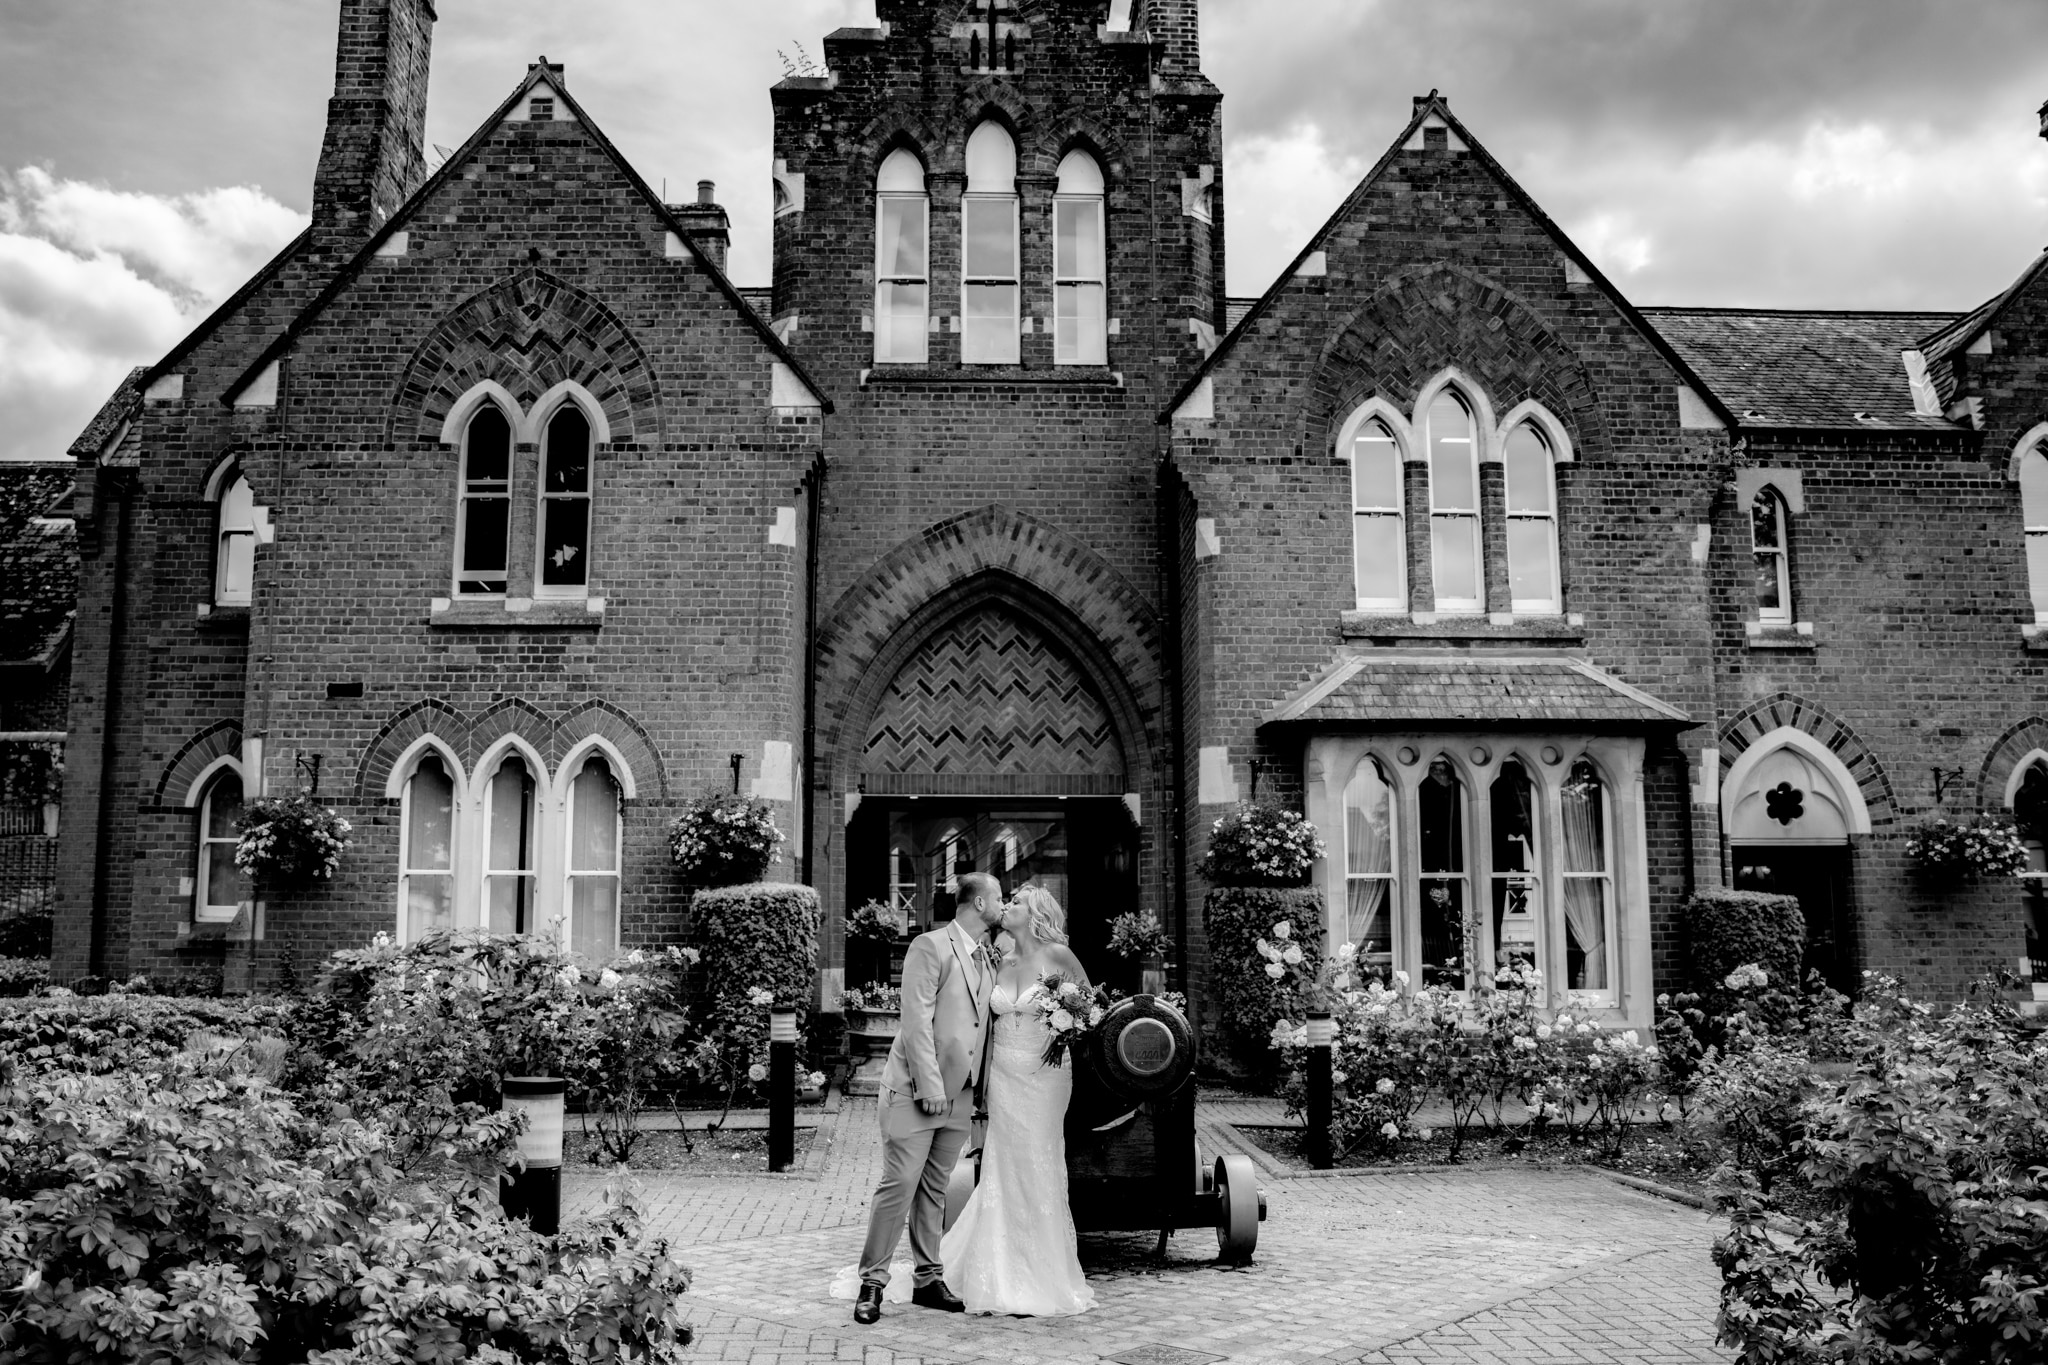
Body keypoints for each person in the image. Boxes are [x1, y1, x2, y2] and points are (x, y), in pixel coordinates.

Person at [838, 870, 1005, 1325]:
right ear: (978, 904)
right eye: (999, 898)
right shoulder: (929, 947)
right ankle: (872, 1281)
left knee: (935, 1189)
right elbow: (915, 1022)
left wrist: (981, 1093)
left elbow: (981, 1030)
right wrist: (929, 1087)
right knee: (898, 1187)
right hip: (916, 1093)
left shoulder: (988, 957)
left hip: (962, 1096)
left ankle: (928, 1279)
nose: (1003, 905)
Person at [935, 882, 1096, 1317]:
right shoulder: (997, 957)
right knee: (1003, 1163)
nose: (1008, 906)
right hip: (1004, 1074)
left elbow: (1091, 1010)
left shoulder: (1058, 956)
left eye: (1017, 901)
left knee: (1038, 1160)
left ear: (1036, 912)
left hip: (1045, 1076)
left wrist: (1065, 1024)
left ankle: (1042, 1273)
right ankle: (996, 1267)